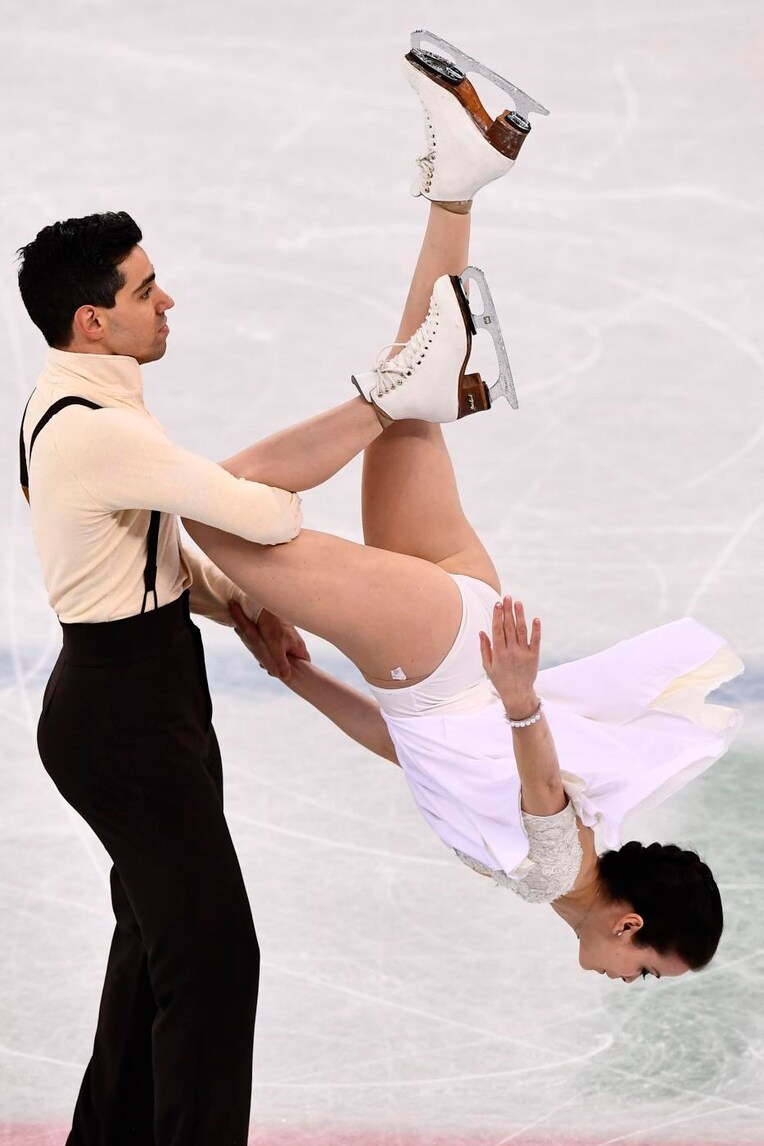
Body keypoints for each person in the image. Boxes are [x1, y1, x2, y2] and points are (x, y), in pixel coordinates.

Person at [183, 35, 743, 988]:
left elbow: (413, 755)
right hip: (438, 659)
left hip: (456, 625)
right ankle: (397, 381)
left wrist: (302, 681)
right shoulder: (557, 868)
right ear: (631, 926)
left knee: (414, 378)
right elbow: (537, 789)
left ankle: (463, 174)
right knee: (215, 512)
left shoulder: (576, 845)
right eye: (648, 971)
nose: (630, 983)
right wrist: (522, 704)